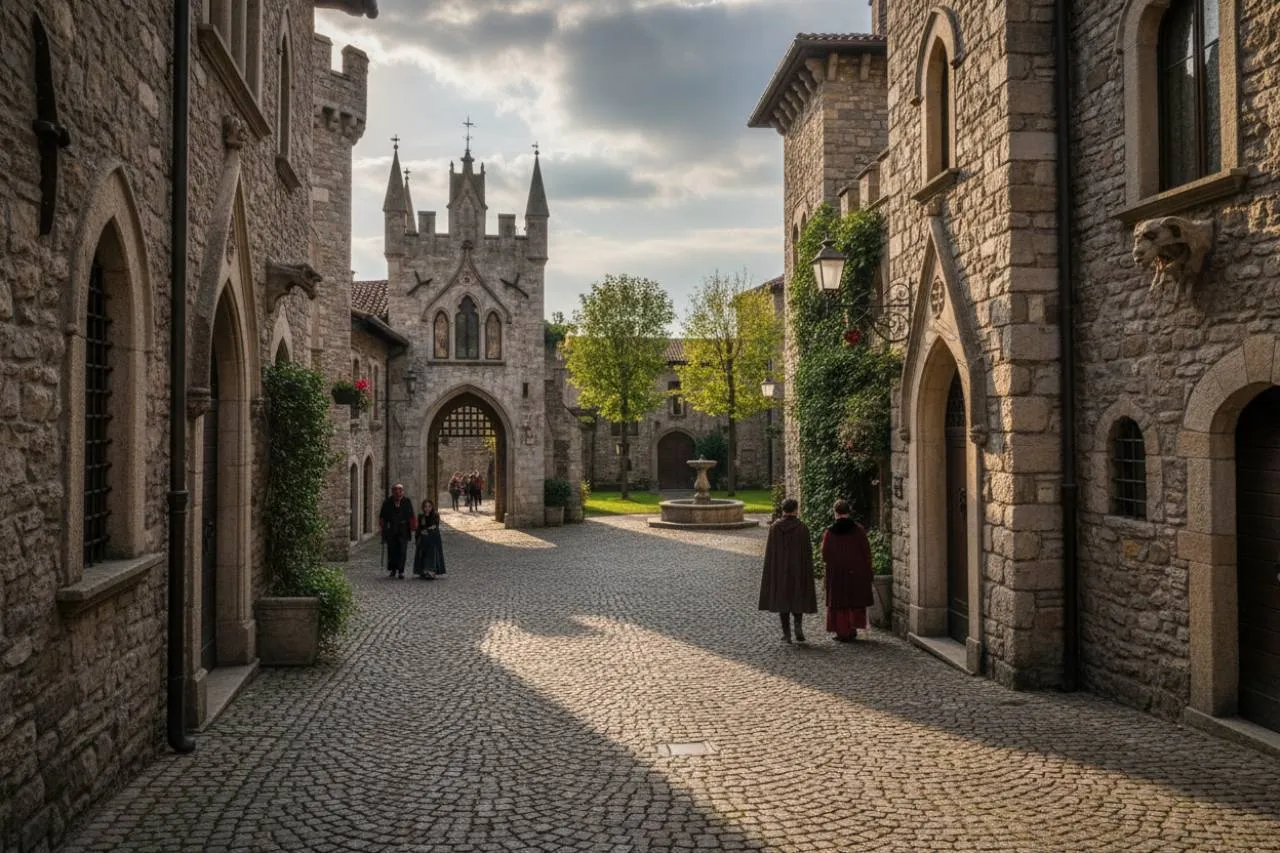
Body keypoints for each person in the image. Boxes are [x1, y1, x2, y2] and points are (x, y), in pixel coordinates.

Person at [758, 498, 817, 643]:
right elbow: (807, 552)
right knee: (797, 596)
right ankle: (798, 625)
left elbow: (771, 552)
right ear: (796, 510)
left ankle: (787, 633)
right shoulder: (802, 528)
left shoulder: (775, 528)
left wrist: (772, 570)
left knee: (782, 599)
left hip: (780, 569)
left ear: (783, 510)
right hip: (798, 569)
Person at [821, 499, 874, 642]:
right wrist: (867, 569)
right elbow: (866, 551)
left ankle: (842, 631)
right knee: (853, 599)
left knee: (839, 602)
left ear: (835, 513)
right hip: (855, 570)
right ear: (848, 512)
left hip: (837, 571)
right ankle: (853, 628)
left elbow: (825, 553)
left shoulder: (830, 532)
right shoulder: (858, 530)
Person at [379, 483, 416, 579]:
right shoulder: (387, 502)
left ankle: (401, 570)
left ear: (402, 492)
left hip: (403, 529)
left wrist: (412, 527)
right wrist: (383, 529)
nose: (398, 494)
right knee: (392, 550)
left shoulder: (407, 501)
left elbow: (411, 515)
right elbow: (382, 516)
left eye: (400, 491)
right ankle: (393, 569)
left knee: (402, 550)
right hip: (391, 529)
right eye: (396, 491)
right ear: (393, 492)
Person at [413, 498, 447, 579]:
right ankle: (423, 571)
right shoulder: (421, 516)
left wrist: (427, 530)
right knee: (423, 554)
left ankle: (431, 571)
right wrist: (421, 533)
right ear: (423, 507)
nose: (427, 508)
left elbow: (435, 527)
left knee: (432, 554)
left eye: (429, 506)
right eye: (425, 506)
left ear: (432, 507)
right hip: (423, 538)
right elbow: (420, 528)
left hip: (433, 538)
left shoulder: (435, 515)